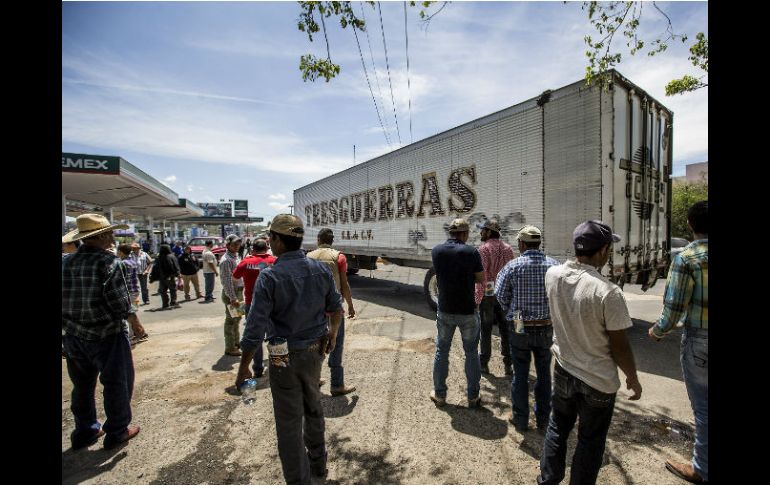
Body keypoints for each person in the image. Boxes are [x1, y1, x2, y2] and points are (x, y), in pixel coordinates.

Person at [236, 214, 343, 484]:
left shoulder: (269, 277)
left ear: (277, 241)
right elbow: (336, 308)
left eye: (271, 237)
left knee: (288, 421)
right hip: (315, 350)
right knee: (313, 406)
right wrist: (332, 333)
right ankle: (319, 465)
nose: (270, 242)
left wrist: (244, 367)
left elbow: (254, 329)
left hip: (281, 354)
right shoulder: (320, 269)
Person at [537, 220, 642, 485]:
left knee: (557, 427)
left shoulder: (553, 275)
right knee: (590, 440)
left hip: (563, 368)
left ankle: (548, 480)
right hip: (598, 381)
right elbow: (619, 346)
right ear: (604, 250)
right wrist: (632, 377)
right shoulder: (608, 292)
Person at [62, 213, 142, 450]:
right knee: (117, 382)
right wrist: (135, 321)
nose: (112, 237)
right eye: (109, 233)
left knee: (82, 385)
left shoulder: (65, 262)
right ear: (102, 236)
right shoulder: (109, 263)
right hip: (107, 335)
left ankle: (85, 430)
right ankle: (117, 430)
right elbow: (119, 304)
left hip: (73, 336)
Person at [649, 200, 708, 484]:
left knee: (704, 406)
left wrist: (659, 331)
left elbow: (674, 307)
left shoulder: (688, 257)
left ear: (690, 225)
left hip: (701, 339)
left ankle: (702, 468)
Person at [494, 225, 559, 432]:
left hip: (520, 323)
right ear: (538, 243)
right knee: (544, 374)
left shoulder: (513, 266)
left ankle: (521, 419)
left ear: (521, 244)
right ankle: (543, 419)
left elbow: (500, 295)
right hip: (545, 325)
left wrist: (512, 312)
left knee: (520, 374)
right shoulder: (554, 265)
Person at [430, 218, 484, 408]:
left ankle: (440, 395)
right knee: (471, 352)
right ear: (464, 233)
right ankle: (473, 396)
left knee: (441, 351)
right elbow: (480, 279)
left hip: (444, 310)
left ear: (450, 233)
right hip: (467, 311)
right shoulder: (472, 252)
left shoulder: (436, 251)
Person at [306, 228, 357, 396]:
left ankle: (314, 379)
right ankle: (337, 385)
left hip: (313, 310)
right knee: (336, 344)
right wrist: (350, 304)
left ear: (318, 239)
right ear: (332, 240)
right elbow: (344, 284)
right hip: (333, 311)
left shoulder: (307, 257)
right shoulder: (339, 257)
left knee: (314, 345)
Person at [474, 219, 514, 376]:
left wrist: (477, 299)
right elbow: (511, 274)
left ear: (489, 232)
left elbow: (481, 277)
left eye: (483, 230)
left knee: (486, 329)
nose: (481, 232)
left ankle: (484, 364)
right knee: (505, 330)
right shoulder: (508, 249)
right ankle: (508, 366)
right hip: (504, 295)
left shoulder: (483, 249)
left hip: (488, 294)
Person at [233, 239, 276, 377]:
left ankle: (258, 369)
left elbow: (235, 277)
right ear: (266, 248)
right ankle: (279, 365)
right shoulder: (274, 260)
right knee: (276, 335)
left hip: (252, 304)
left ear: (253, 249)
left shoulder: (246, 262)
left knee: (254, 338)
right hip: (274, 304)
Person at [117, 244, 149, 344]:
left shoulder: (123, 263)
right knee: (132, 313)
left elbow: (123, 280)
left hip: (128, 292)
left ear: (121, 252)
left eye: (118, 251)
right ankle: (140, 334)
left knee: (127, 315)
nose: (117, 253)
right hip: (135, 291)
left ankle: (130, 338)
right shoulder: (132, 261)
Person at [220, 234, 244, 356]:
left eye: (238, 244)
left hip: (238, 292)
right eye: (234, 244)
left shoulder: (235, 256)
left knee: (237, 318)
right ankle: (230, 347)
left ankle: (236, 342)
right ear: (227, 245)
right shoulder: (226, 260)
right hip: (232, 293)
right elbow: (226, 281)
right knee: (230, 320)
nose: (237, 246)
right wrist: (233, 297)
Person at [156, 244, 181, 310]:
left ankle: (165, 304)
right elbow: (175, 266)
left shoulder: (159, 257)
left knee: (163, 291)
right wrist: (177, 274)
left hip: (162, 277)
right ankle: (173, 302)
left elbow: (156, 268)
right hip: (170, 276)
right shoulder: (171, 256)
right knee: (173, 289)